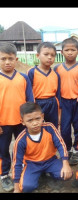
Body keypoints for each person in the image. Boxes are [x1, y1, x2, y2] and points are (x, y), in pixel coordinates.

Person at [12, 102, 73, 193]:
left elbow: (61, 144)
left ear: (42, 116)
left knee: (67, 174)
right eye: (30, 120)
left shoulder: (50, 128)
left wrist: (66, 164)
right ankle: (36, 174)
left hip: (50, 160)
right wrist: (16, 189)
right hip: (32, 164)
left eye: (38, 118)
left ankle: (47, 171)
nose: (35, 123)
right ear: (23, 122)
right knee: (26, 187)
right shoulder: (20, 140)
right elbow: (16, 163)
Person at [0, 42, 34, 192]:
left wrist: (31, 119)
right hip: (2, 123)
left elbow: (30, 100)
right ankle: (4, 175)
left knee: (22, 147)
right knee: (2, 150)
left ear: (16, 59)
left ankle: (22, 170)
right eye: (3, 59)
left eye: (10, 58)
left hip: (22, 122)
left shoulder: (24, 78)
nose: (7, 62)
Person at [54, 38, 78, 166]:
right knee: (64, 129)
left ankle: (76, 150)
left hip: (77, 103)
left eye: (73, 50)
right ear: (61, 52)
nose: (70, 52)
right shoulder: (57, 68)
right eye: (67, 50)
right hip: (63, 103)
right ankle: (68, 149)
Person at [27, 42, 61, 128]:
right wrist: (31, 107)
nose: (49, 57)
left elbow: (58, 94)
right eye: (46, 54)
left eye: (52, 55)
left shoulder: (56, 75)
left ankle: (51, 141)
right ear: (38, 55)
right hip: (37, 103)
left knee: (53, 127)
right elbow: (28, 92)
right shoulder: (32, 72)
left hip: (52, 103)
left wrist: (59, 112)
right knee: (37, 127)